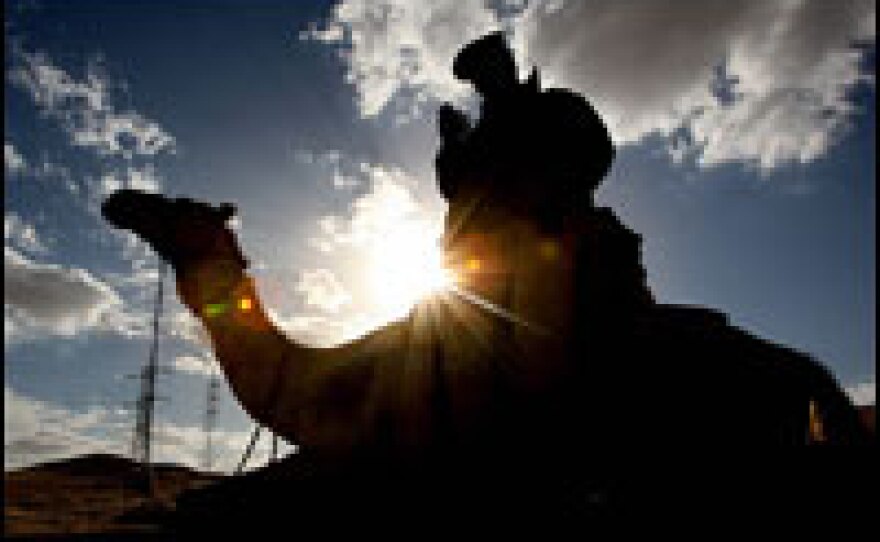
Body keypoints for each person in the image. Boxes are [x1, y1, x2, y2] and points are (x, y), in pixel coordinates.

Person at [101, 32, 871, 531]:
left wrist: (508, 109)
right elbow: (309, 402)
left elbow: (575, 160)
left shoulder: (554, 163)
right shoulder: (473, 228)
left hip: (559, 345)